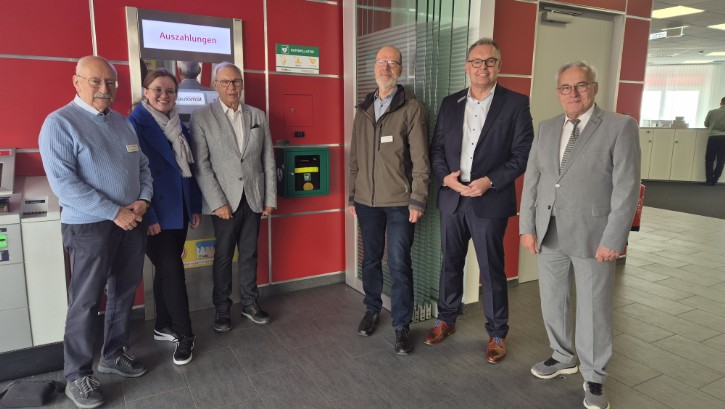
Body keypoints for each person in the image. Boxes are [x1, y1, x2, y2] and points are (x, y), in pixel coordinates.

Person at [519, 61, 641, 409]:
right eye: (566, 87)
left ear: (594, 88)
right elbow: (533, 181)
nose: (573, 93)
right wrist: (527, 226)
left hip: (594, 235)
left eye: (581, 85)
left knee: (593, 310)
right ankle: (562, 356)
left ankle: (595, 377)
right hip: (549, 231)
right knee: (552, 300)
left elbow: (627, 187)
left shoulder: (620, 126)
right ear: (558, 92)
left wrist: (614, 238)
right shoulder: (546, 128)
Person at [39, 55, 153, 409]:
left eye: (111, 83)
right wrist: (114, 212)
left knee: (124, 291)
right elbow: (65, 184)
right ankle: (77, 375)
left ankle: (114, 354)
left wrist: (143, 200)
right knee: (86, 301)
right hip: (89, 226)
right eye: (96, 81)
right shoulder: (59, 123)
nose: (105, 89)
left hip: (131, 221)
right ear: (77, 82)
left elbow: (143, 166)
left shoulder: (122, 122)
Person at [426, 38, 533, 365]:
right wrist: (445, 178)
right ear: (467, 66)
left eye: (489, 61)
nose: (482, 67)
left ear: (499, 66)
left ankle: (497, 333)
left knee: (492, 268)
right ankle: (446, 319)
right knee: (450, 263)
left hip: (490, 200)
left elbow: (523, 153)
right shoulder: (450, 103)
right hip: (453, 198)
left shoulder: (515, 103)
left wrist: (490, 181)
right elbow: (437, 149)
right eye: (476, 61)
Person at [348, 45, 430, 355]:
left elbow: (421, 160)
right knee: (370, 259)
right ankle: (372, 309)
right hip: (366, 202)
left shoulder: (412, 109)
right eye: (381, 62)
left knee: (398, 263)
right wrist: (352, 196)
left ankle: (401, 325)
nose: (386, 67)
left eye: (392, 63)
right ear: (374, 67)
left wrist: (418, 199)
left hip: (399, 203)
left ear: (400, 70)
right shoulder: (363, 109)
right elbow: (354, 159)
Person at [189, 62, 276, 332]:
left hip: (253, 197)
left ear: (242, 84)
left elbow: (268, 159)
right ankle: (222, 309)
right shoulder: (202, 117)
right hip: (224, 202)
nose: (231, 87)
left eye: (235, 81)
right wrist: (218, 202)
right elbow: (201, 165)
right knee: (224, 257)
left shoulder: (257, 115)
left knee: (249, 254)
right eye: (225, 82)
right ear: (215, 85)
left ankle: (250, 303)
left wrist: (270, 198)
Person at [128, 68, 202, 365]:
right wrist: (149, 216)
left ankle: (162, 325)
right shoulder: (134, 124)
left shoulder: (176, 124)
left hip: (178, 210)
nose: (164, 95)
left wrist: (193, 206)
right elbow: (135, 176)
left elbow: (188, 171)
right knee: (172, 271)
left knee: (166, 269)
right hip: (155, 213)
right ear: (146, 92)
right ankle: (185, 334)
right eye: (157, 89)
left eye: (170, 91)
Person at [704, 97, 725, 185]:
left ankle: (709, 180)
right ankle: (715, 179)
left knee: (710, 159)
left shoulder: (712, 112)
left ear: (721, 103)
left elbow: (706, 124)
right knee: (721, 160)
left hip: (713, 137)